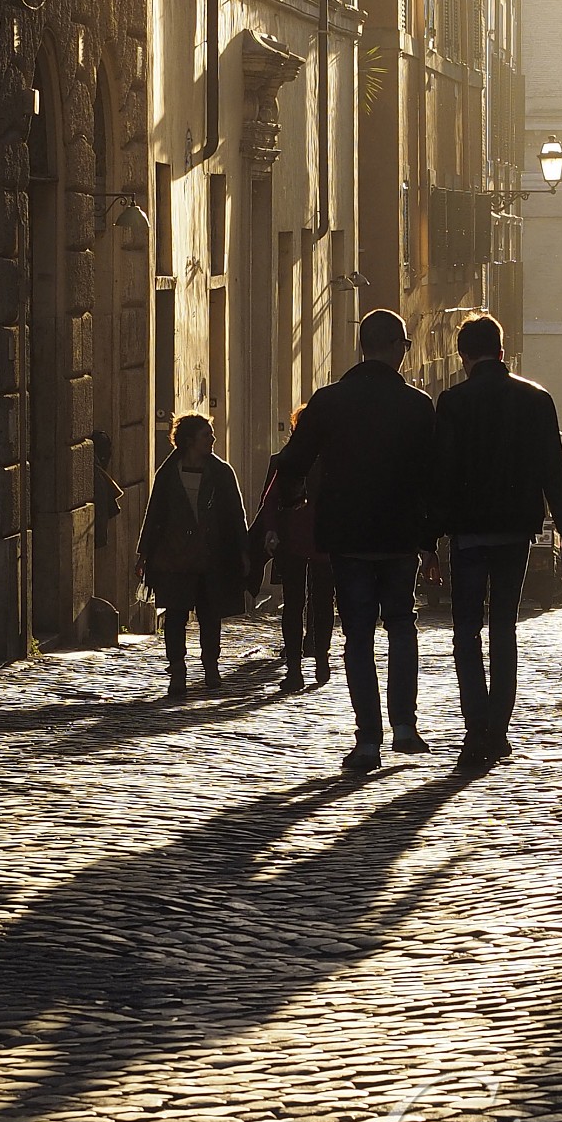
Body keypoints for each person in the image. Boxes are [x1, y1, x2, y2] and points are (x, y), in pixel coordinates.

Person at [273, 309, 438, 775]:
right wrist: (428, 541)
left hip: (346, 537)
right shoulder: (417, 405)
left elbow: (292, 462)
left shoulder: (328, 401)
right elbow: (431, 478)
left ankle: (368, 739)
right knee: (402, 627)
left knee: (358, 636)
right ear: (396, 348)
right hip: (400, 536)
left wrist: (295, 502)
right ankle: (404, 727)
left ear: (363, 346)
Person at [433, 311, 562, 769]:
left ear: (463, 357)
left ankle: (475, 725)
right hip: (516, 530)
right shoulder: (536, 399)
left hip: (469, 531)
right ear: (503, 352)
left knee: (465, 631)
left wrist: (430, 540)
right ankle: (497, 727)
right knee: (504, 627)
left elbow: (441, 474)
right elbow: (554, 474)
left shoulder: (453, 402)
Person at [135, 413, 250, 698]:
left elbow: (236, 515)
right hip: (174, 558)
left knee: (210, 614)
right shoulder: (169, 473)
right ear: (189, 441)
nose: (212, 440)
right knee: (175, 616)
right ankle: (177, 669)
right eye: (206, 436)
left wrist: (244, 553)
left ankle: (211, 665)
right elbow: (155, 514)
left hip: (212, 557)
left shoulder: (221, 473)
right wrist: (144, 553)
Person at [249, 404, 335, 694]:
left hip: (309, 540)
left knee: (307, 603)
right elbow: (271, 499)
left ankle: (306, 664)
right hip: (307, 540)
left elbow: (269, 500)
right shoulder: (325, 458)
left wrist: (272, 529)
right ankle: (307, 664)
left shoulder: (305, 458)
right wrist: (271, 529)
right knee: (308, 603)